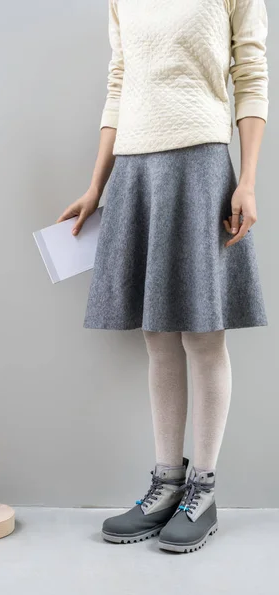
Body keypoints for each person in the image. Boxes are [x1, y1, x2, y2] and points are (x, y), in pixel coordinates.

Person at [56, 0, 268, 553]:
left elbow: (251, 75)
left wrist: (246, 181)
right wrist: (95, 187)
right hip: (134, 169)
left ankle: (203, 489)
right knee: (157, 337)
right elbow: (119, 84)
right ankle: (166, 483)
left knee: (202, 333)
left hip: (200, 164)